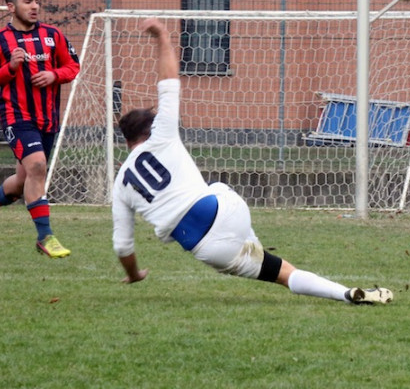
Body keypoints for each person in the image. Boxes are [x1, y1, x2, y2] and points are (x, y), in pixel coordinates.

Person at [112, 18, 392, 305]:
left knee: (273, 270)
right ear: (152, 127)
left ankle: (260, 251)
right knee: (227, 199)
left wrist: (134, 274)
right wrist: (162, 37)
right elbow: (168, 83)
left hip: (207, 247)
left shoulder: (121, 184)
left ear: (126, 140)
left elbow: (123, 246)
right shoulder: (163, 134)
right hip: (229, 211)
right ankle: (344, 293)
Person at [0, 0, 80, 258]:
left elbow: (73, 66)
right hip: (16, 117)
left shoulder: (53, 35)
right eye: (27, 1)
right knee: (37, 165)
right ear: (11, 7)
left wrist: (54, 75)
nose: (35, 6)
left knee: (23, 182)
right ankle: (46, 237)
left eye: (37, 1)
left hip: (48, 120)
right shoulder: (1, 40)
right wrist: (10, 68)